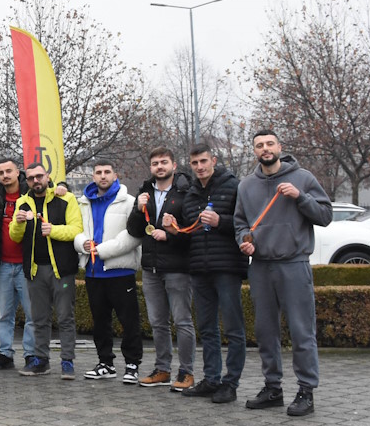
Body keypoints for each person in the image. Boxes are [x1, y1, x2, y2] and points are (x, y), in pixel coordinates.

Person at [235, 130, 332, 417]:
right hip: (260, 267)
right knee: (265, 332)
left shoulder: (302, 178)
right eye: (259, 145)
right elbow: (240, 223)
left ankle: (306, 391)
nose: (265, 149)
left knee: (302, 330)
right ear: (254, 151)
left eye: (269, 144)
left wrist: (300, 197)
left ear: (279, 147)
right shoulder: (246, 185)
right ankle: (272, 388)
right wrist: (243, 241)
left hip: (294, 263)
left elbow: (325, 216)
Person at [162, 142, 246, 405]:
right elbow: (191, 234)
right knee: (207, 328)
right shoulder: (191, 194)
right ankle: (211, 379)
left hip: (227, 267)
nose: (199, 167)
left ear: (214, 161)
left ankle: (231, 384)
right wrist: (175, 231)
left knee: (233, 329)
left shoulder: (233, 187)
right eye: (195, 163)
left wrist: (221, 222)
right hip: (199, 269)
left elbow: (246, 224)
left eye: (203, 161)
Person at [126, 147, 195, 391]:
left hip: (178, 268)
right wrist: (138, 208)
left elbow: (193, 230)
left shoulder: (186, 192)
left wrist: (171, 235)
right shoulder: (144, 192)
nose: (159, 167)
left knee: (182, 322)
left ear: (174, 165)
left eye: (164, 162)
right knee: (157, 323)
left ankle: (186, 372)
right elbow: (134, 230)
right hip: (151, 268)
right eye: (155, 163)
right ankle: (162, 369)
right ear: (151, 167)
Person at [9, 162, 82, 378]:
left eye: (39, 176)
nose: (36, 181)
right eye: (31, 178)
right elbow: (15, 236)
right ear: (27, 181)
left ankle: (67, 361)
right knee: (39, 318)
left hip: (62, 269)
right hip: (35, 270)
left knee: (65, 317)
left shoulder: (66, 198)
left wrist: (54, 230)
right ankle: (41, 360)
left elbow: (77, 229)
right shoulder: (22, 202)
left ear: (47, 177)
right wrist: (18, 223)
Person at [74, 160, 143, 384]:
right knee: (100, 323)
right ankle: (105, 363)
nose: (103, 176)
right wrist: (82, 243)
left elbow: (133, 236)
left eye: (107, 172)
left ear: (115, 175)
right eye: (98, 172)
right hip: (93, 273)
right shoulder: (83, 203)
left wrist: (101, 250)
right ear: (93, 176)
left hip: (120, 272)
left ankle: (132, 365)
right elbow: (77, 230)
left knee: (129, 322)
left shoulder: (129, 202)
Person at [0, 158, 36, 371]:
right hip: (4, 265)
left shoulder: (30, 194)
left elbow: (48, 187)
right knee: (4, 315)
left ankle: (31, 354)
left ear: (17, 172)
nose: (5, 175)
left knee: (32, 315)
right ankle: (5, 353)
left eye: (9, 171)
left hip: (26, 265)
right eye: (1, 172)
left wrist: (62, 186)